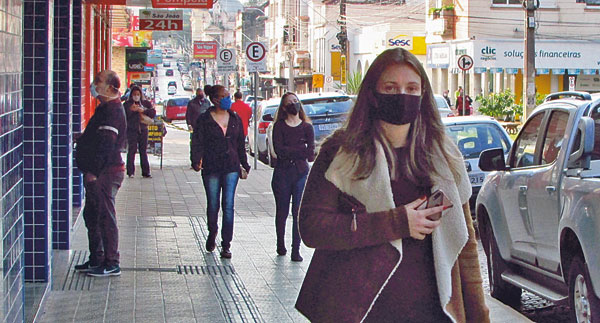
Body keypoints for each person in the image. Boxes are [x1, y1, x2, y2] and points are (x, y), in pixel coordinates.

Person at [295, 48, 489, 322]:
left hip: (433, 312)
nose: (402, 95)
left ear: (423, 95)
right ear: (373, 94)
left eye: (412, 88)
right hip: (359, 311)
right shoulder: (341, 153)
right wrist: (397, 222)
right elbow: (312, 228)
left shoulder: (444, 158)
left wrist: (479, 315)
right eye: (391, 87)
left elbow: (465, 247)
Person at [74, 70, 127, 277]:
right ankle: (97, 258)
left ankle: (111, 261)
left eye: (98, 82)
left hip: (106, 172)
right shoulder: (105, 108)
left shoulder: (112, 111)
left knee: (105, 216)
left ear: (111, 88)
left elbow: (106, 144)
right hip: (100, 171)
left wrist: (94, 171)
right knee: (93, 215)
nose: (94, 85)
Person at [191, 84, 251, 259]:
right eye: (224, 96)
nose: (228, 99)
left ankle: (226, 244)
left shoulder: (235, 118)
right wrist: (196, 160)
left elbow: (240, 144)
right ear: (216, 99)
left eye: (229, 95)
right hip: (211, 166)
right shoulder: (204, 119)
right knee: (213, 203)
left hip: (231, 166)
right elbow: (197, 142)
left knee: (228, 205)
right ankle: (212, 232)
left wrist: (244, 165)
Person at [271, 92, 315, 262]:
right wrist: (299, 150)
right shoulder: (279, 127)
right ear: (284, 107)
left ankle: (296, 249)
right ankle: (280, 244)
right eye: (290, 102)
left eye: (296, 101)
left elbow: (310, 153)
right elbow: (279, 151)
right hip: (282, 174)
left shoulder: (307, 128)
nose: (294, 104)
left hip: (301, 173)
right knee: (282, 211)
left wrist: (294, 151)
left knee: (297, 212)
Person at [124, 85, 156, 178]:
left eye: (138, 94)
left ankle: (146, 172)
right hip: (132, 130)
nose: (136, 96)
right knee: (131, 150)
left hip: (143, 129)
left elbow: (152, 113)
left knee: (143, 151)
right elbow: (124, 115)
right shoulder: (127, 104)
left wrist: (144, 110)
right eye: (134, 94)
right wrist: (132, 110)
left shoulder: (145, 103)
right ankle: (130, 172)